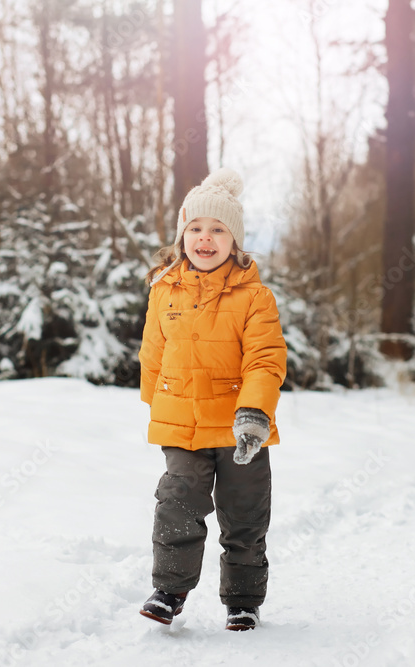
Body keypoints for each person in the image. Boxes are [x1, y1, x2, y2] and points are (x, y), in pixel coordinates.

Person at [137, 168, 286, 632]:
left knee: (244, 516)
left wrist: (255, 412)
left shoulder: (256, 298)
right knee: (177, 502)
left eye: (218, 229)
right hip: (182, 422)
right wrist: (156, 405)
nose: (206, 238)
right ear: (183, 237)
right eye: (196, 228)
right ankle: (169, 590)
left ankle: (242, 599)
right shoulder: (164, 290)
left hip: (242, 425)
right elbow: (152, 354)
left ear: (235, 242)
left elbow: (264, 359)